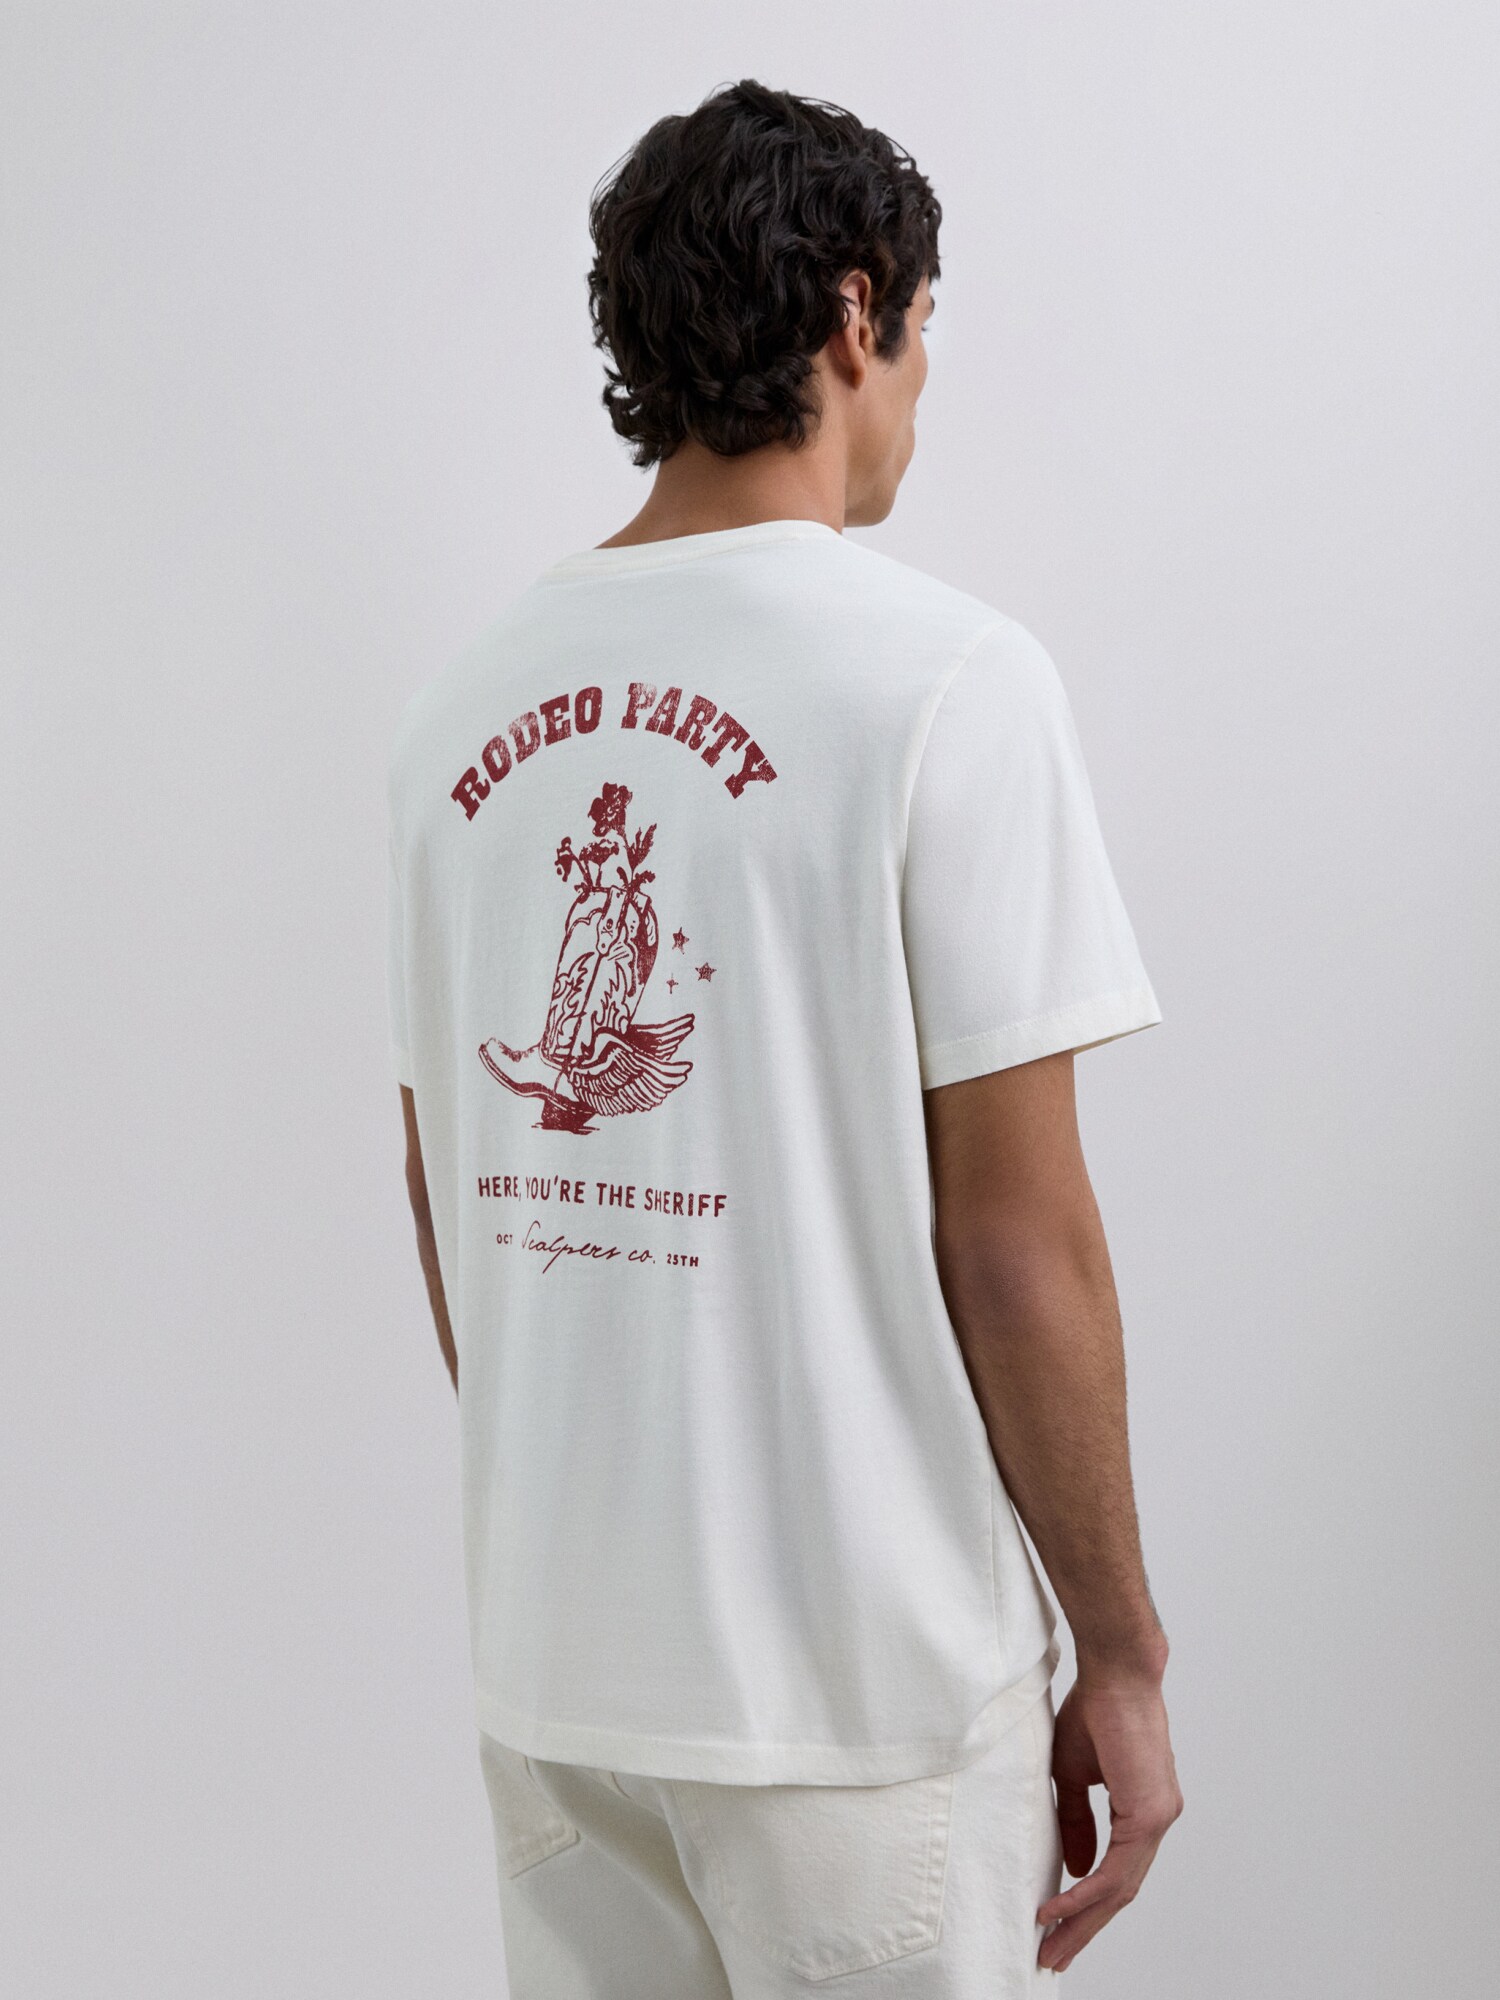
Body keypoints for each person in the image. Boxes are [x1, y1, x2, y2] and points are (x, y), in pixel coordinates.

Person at [387, 76, 1183, 1998]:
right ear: (852, 311)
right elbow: (1022, 1243)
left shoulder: (461, 709)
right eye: (922, 329)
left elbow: (453, 1201)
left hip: (562, 1687)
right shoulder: (949, 684)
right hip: (859, 1705)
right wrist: (1124, 1653)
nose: (921, 386)